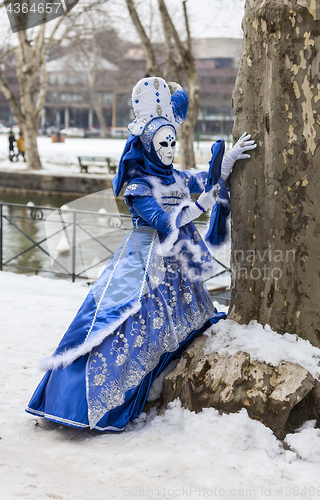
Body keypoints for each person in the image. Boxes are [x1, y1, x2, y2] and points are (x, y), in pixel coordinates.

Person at [26, 77, 256, 431]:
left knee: (173, 327)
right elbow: (163, 222)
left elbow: (202, 179)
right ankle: (87, 403)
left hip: (176, 264)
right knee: (124, 327)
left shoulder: (174, 175)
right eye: (162, 143)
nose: (168, 149)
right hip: (143, 263)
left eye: (172, 142)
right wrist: (201, 205)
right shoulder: (138, 185)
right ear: (147, 145)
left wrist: (228, 162)